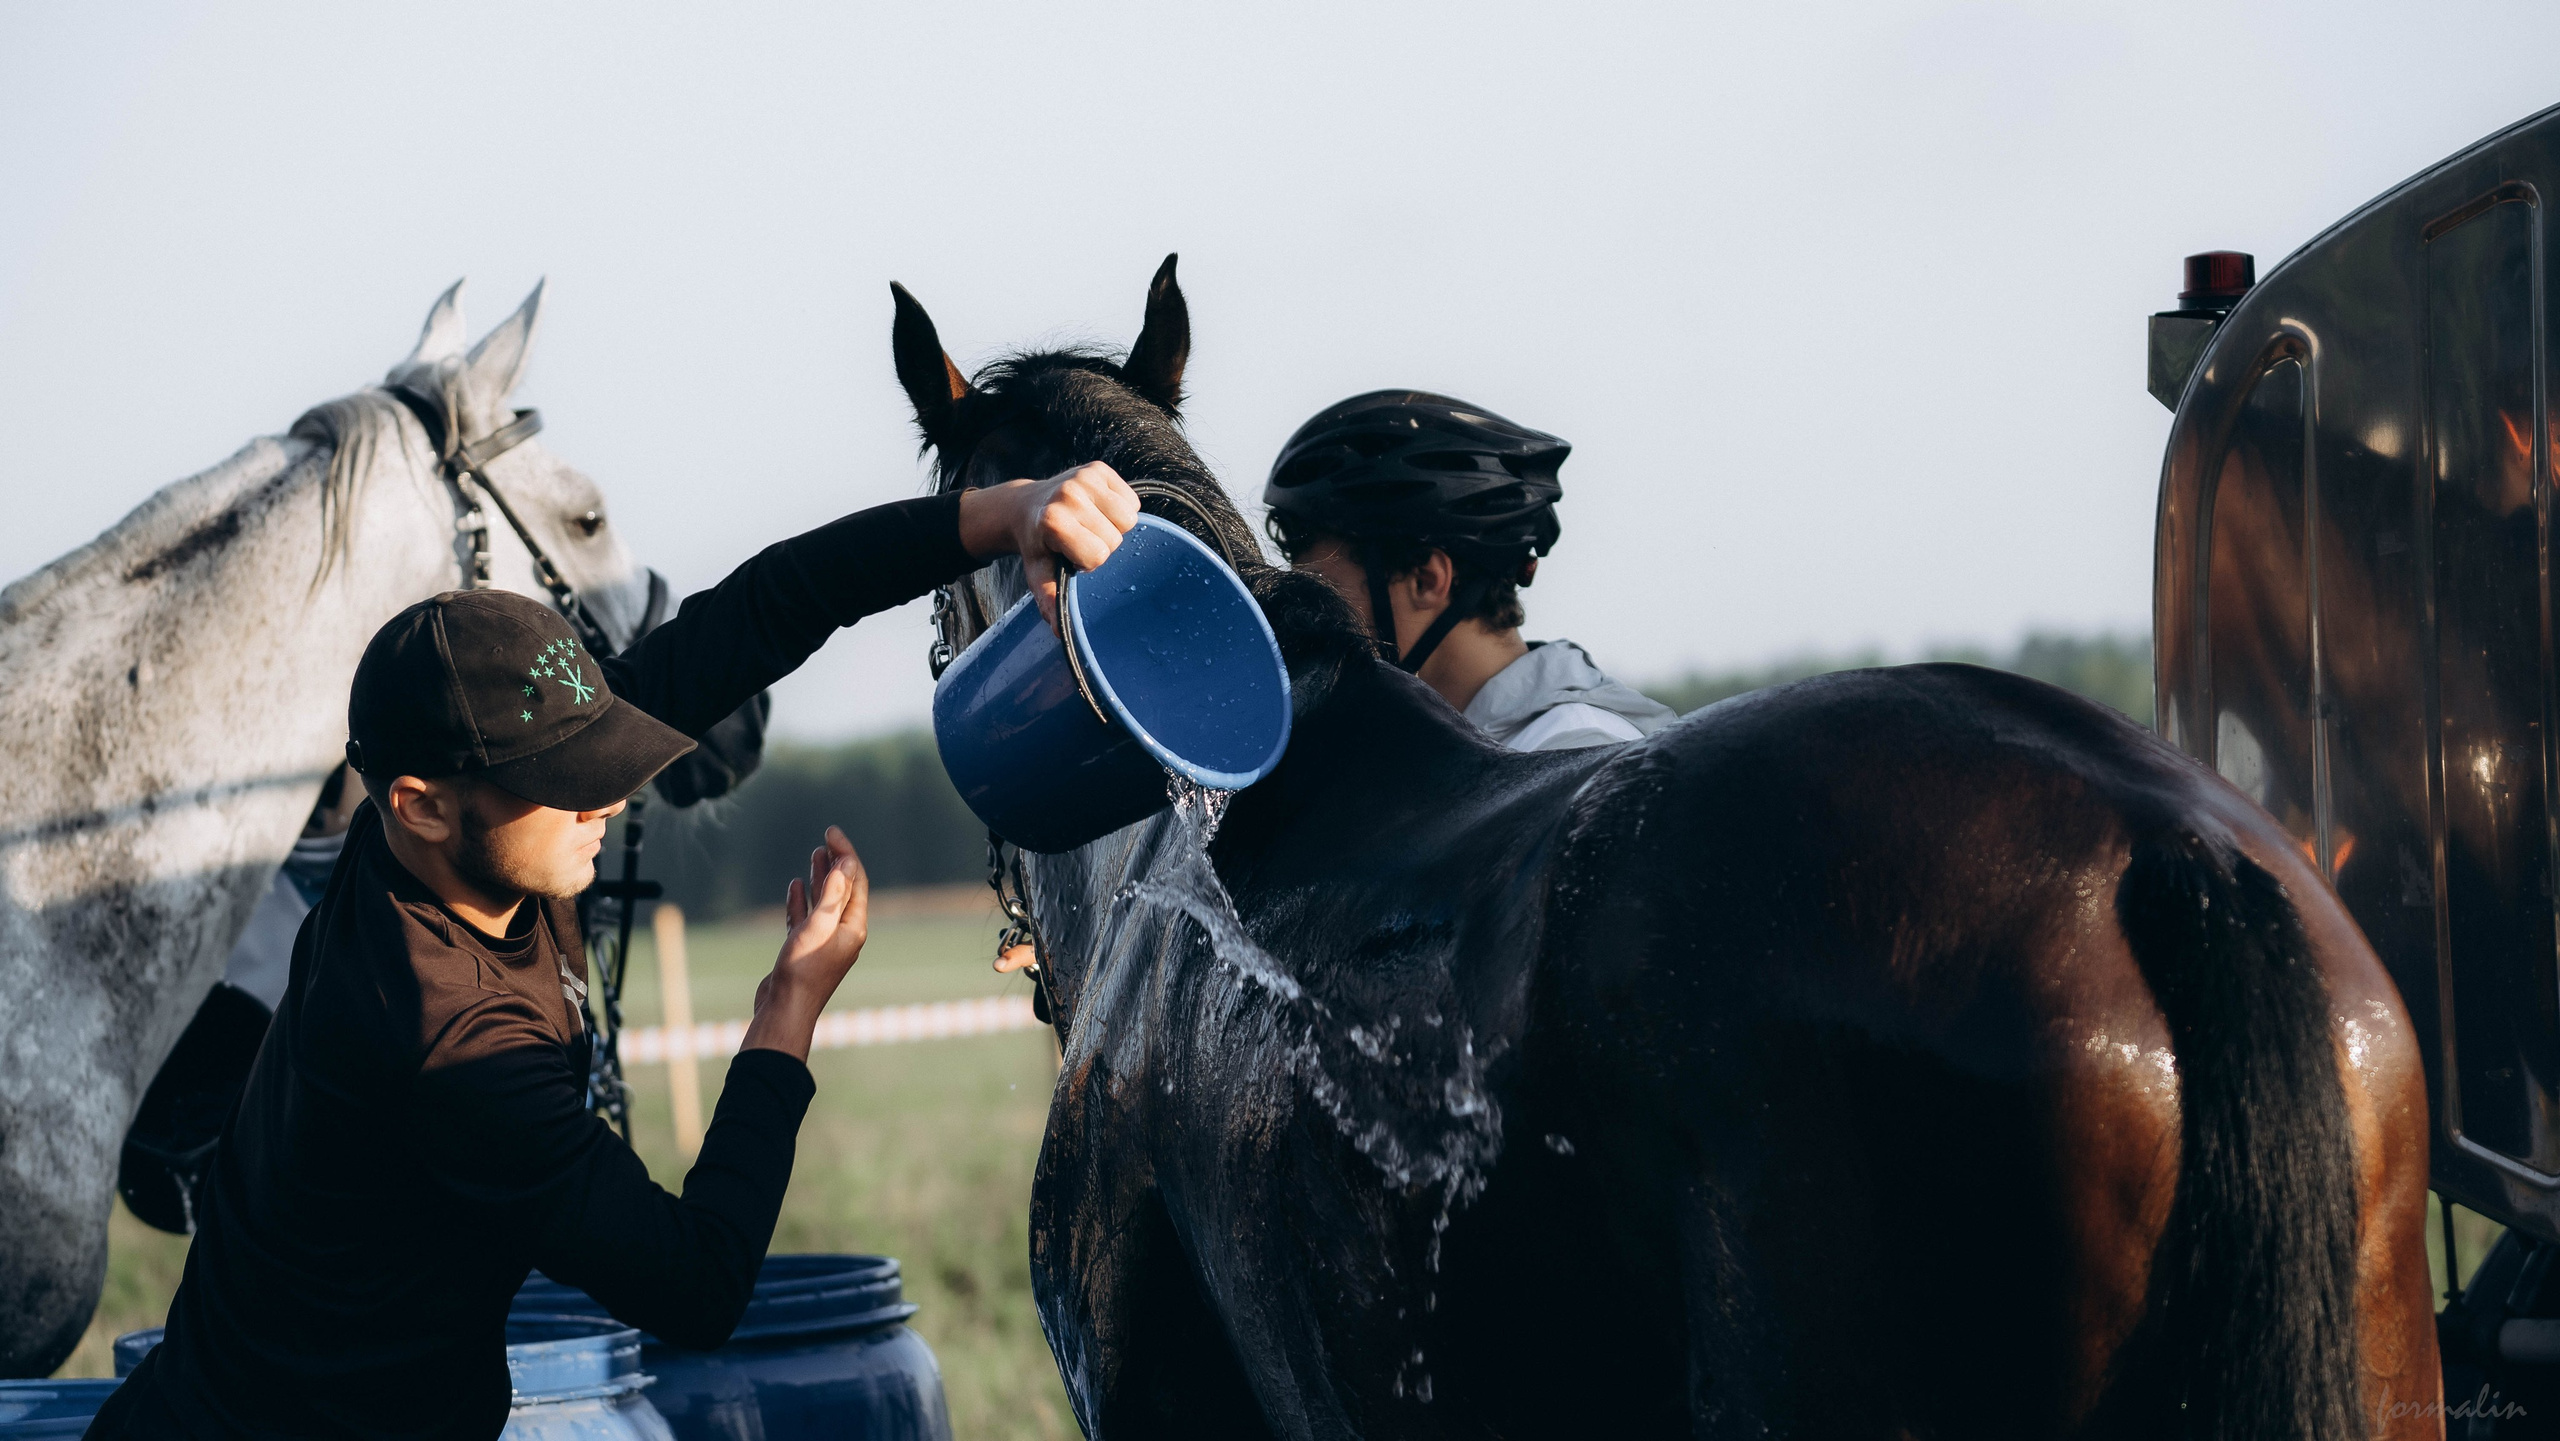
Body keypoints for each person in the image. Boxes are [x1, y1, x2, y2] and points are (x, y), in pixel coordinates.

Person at [91, 464, 1138, 1440]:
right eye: (559, 775)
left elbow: (768, 604)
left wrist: (1001, 513)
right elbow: (695, 1285)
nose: (605, 792)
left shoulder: (439, 822)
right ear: (417, 804)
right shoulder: (448, 1038)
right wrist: (787, 1008)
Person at [1262, 390, 1675, 749]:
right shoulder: (1436, 747)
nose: (1310, 626)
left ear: (1426, 580)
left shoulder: (1574, 753)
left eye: (1324, 595)